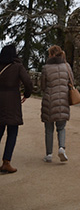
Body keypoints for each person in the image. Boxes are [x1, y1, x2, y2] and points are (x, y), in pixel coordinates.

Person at [0, 43, 33, 174]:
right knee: (12, 132)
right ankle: (6, 162)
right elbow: (28, 82)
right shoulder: (17, 66)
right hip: (12, 102)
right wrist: (26, 94)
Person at [41, 45, 73, 163]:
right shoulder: (67, 66)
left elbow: (43, 86)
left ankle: (49, 154)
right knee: (61, 127)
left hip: (49, 101)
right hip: (63, 100)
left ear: (51, 54)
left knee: (48, 129)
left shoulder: (46, 68)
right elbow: (72, 82)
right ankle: (61, 148)